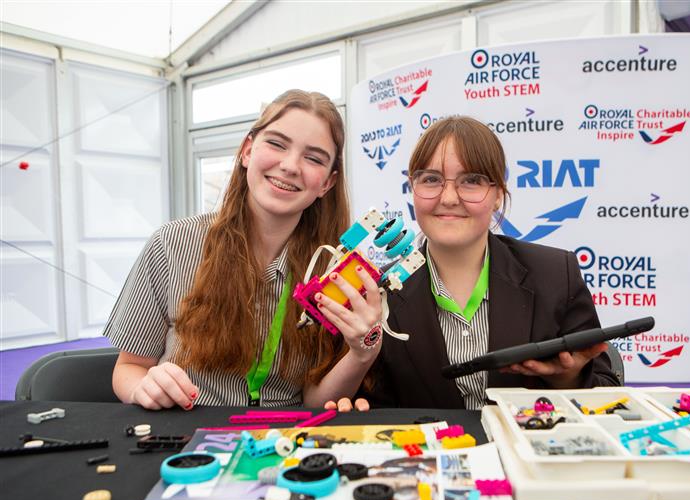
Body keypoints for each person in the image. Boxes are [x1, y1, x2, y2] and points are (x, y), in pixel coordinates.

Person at [105, 90, 382, 410]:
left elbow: (315, 403)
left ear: (327, 183)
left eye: (313, 158)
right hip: (186, 436)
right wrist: (144, 387)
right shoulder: (171, 244)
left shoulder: (335, 272)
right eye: (277, 144)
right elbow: (129, 368)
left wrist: (362, 353)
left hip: (285, 443)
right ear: (247, 151)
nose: (290, 166)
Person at [325, 116, 620, 411]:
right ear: (412, 190)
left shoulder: (555, 273)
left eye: (472, 181)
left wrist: (567, 377)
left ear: (497, 196)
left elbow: (610, 396)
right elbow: (373, 403)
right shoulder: (378, 295)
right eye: (431, 179)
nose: (449, 197)